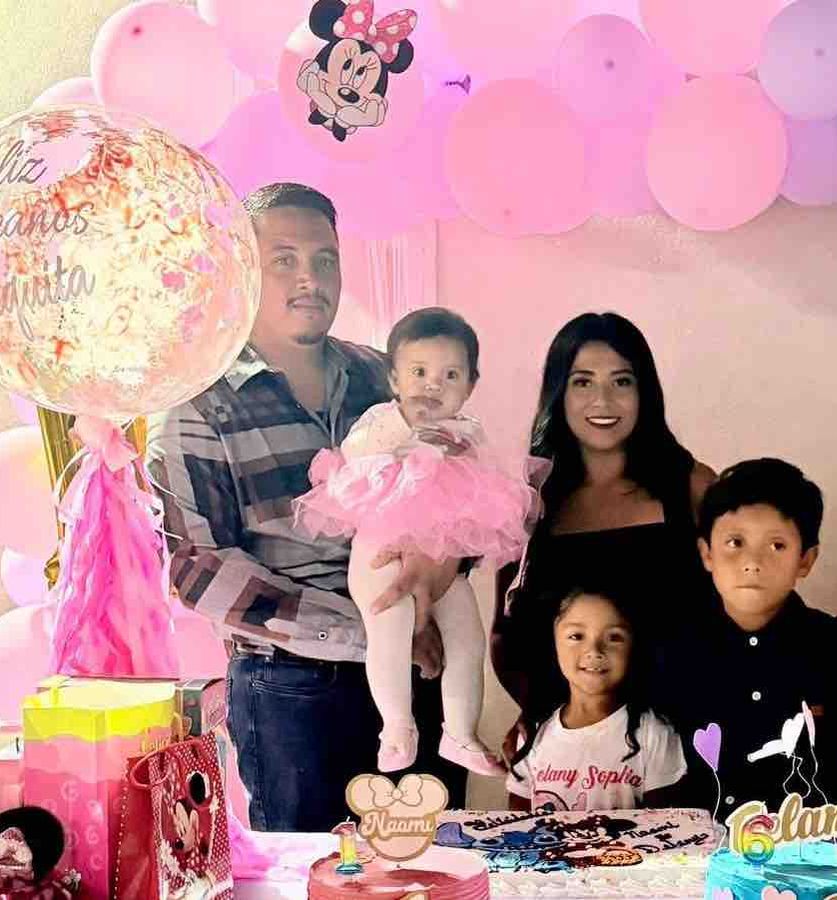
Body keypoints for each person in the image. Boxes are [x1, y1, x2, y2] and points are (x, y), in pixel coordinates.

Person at [146, 183, 466, 831]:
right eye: (284, 260)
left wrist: (440, 573)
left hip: (418, 663)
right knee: (316, 870)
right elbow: (197, 569)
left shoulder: (385, 377)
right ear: (243, 271)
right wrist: (368, 630)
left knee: (434, 864)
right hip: (294, 690)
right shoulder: (198, 405)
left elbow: (459, 493)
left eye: (325, 260)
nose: (309, 279)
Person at [295, 307, 538, 776]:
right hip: (382, 548)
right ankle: (396, 726)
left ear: (470, 385)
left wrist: (461, 450)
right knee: (390, 622)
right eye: (420, 373)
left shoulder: (467, 430)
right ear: (395, 379)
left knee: (467, 635)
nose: (433, 386)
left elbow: (483, 484)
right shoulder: (383, 420)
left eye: (451, 376)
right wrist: (409, 429)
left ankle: (460, 732)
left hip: (443, 556)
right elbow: (354, 455)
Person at [492, 312, 716, 728]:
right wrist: (546, 723)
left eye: (621, 381)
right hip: (571, 741)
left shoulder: (693, 487)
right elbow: (506, 635)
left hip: (687, 733)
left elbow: (737, 612)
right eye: (583, 382)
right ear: (558, 392)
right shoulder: (528, 500)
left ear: (645, 391)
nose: (603, 401)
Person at [661, 458, 837, 817]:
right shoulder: (673, 647)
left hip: (809, 841)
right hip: (701, 844)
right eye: (735, 542)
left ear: (805, 560)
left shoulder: (835, 644)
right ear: (706, 554)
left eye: (776, 546)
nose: (752, 562)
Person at [506, 584, 686, 811]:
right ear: (552, 641)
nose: (594, 650)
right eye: (576, 636)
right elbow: (517, 822)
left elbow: (665, 824)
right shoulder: (531, 733)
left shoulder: (653, 732)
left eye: (614, 637)